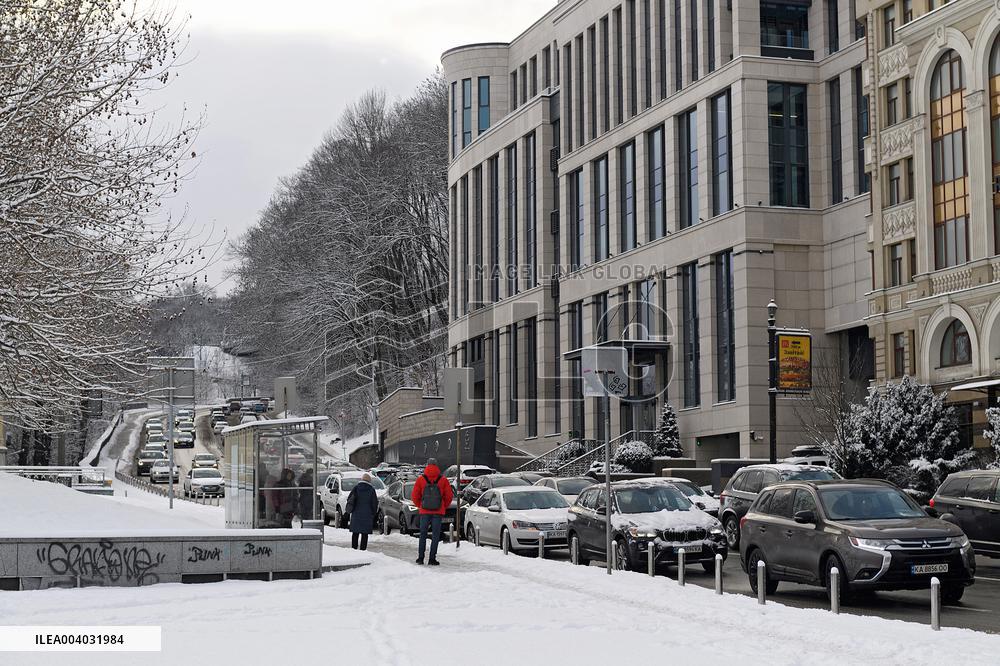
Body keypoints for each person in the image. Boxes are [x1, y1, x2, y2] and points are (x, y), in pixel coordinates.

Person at [410, 457, 453, 565]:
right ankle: (432, 559)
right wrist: (443, 506)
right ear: (437, 466)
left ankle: (420, 558)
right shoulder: (443, 480)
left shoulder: (421, 479)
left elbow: (415, 496)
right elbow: (449, 496)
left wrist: (420, 506)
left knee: (423, 534)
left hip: (424, 512)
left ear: (427, 465)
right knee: (435, 535)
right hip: (437, 512)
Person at [345, 473, 378, 550]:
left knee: (355, 533)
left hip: (356, 514)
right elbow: (374, 503)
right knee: (364, 534)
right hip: (367, 515)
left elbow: (349, 499)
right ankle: (363, 550)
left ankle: (354, 548)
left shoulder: (356, 488)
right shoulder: (371, 490)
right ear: (369, 481)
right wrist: (373, 513)